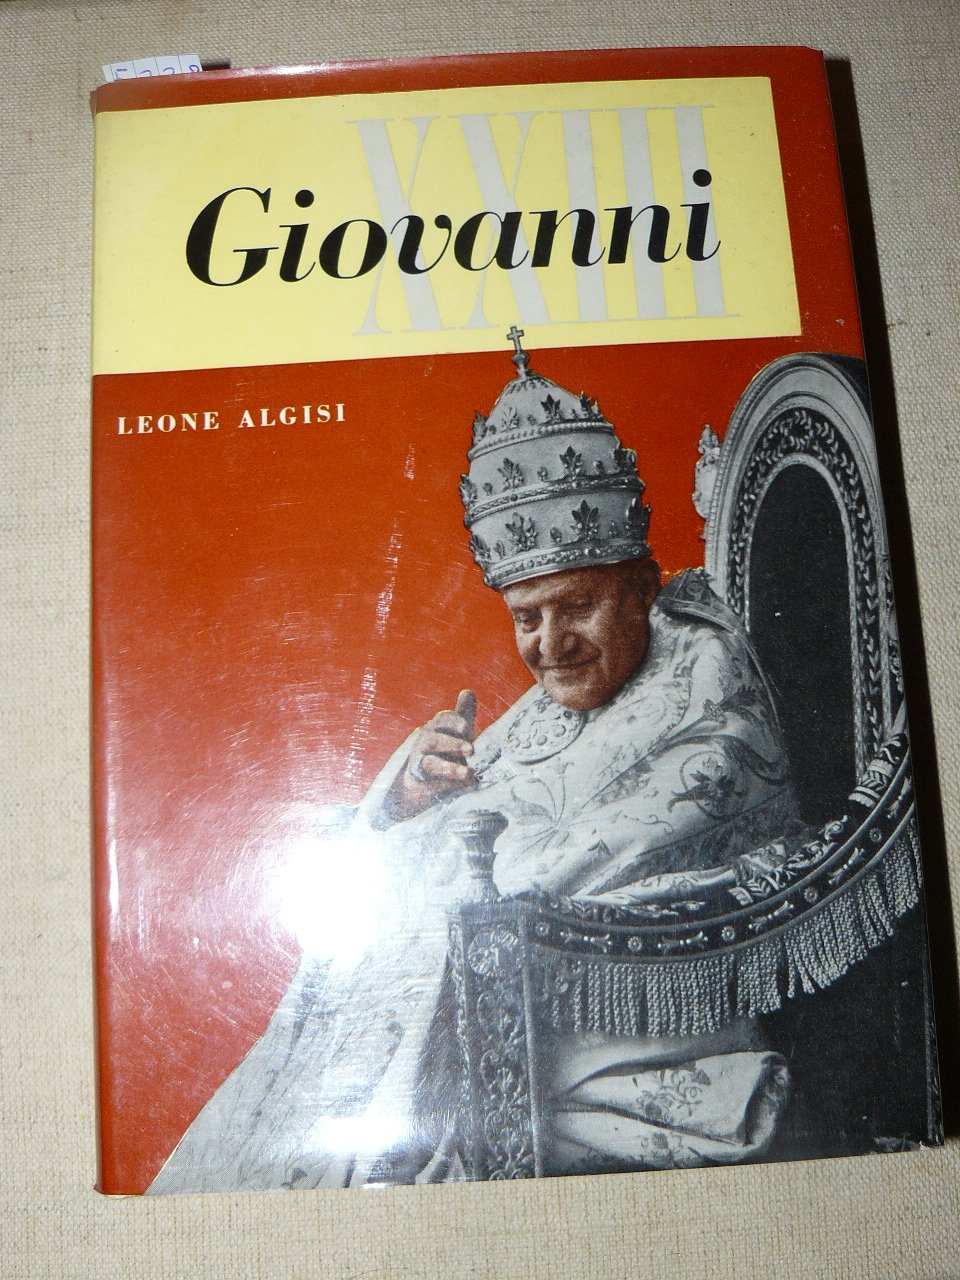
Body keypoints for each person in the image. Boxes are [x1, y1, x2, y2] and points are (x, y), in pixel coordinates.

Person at [148, 334, 795, 1193]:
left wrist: (451, 892)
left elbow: (626, 845)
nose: (551, 645)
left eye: (578, 605)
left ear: (642, 585)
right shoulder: (559, 695)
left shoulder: (706, 679)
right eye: (527, 617)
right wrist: (408, 796)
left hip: (628, 1010)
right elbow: (440, 842)